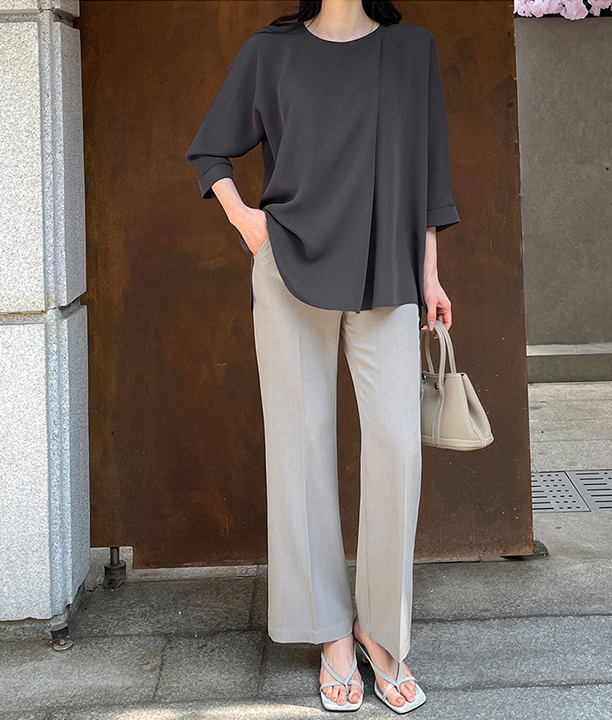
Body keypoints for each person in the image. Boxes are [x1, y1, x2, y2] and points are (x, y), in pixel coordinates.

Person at [185, 0, 460, 712]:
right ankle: (331, 634)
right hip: (289, 267)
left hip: (388, 271)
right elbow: (210, 150)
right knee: (300, 446)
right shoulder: (271, 52)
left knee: (397, 446)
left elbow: (429, 178)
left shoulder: (412, 51)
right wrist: (250, 226)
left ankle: (380, 630)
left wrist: (429, 274)